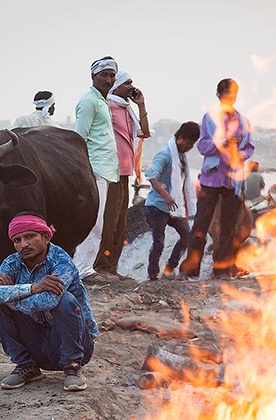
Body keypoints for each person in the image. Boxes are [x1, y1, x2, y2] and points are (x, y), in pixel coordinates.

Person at [0, 213, 97, 392]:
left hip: (75, 343)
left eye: (30, 236)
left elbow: (49, 300)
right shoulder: (12, 262)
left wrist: (11, 298)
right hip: (37, 341)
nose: (23, 245)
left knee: (65, 300)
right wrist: (33, 288)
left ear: (45, 237)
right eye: (17, 240)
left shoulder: (61, 261)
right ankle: (26, 365)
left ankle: (72, 367)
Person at [179, 78, 254, 279]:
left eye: (234, 94)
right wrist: (222, 143)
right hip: (211, 178)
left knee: (229, 225)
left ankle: (222, 269)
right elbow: (203, 146)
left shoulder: (243, 121)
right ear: (219, 96)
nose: (231, 98)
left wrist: (238, 154)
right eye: (227, 94)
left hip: (233, 180)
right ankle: (190, 270)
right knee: (201, 224)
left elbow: (249, 148)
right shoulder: (209, 118)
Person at [94, 70, 150, 278]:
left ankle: (112, 267)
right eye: (128, 83)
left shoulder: (128, 109)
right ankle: (100, 266)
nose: (131, 87)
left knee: (120, 222)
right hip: (110, 171)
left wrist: (141, 105)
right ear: (117, 85)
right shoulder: (107, 106)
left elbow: (144, 132)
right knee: (108, 220)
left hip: (125, 172)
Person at [71, 56, 120, 281]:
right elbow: (79, 138)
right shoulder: (89, 101)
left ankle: (83, 267)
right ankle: (83, 270)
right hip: (93, 169)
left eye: (112, 75)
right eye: (104, 75)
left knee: (97, 221)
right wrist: (84, 170)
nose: (108, 80)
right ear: (93, 76)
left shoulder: (102, 101)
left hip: (104, 169)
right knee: (94, 222)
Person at [144, 122, 200, 281]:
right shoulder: (165, 154)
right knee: (158, 243)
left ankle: (169, 268)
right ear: (181, 138)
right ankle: (152, 275)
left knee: (187, 236)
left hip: (174, 208)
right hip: (157, 206)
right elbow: (151, 175)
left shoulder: (181, 157)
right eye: (189, 144)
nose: (190, 148)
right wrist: (165, 195)